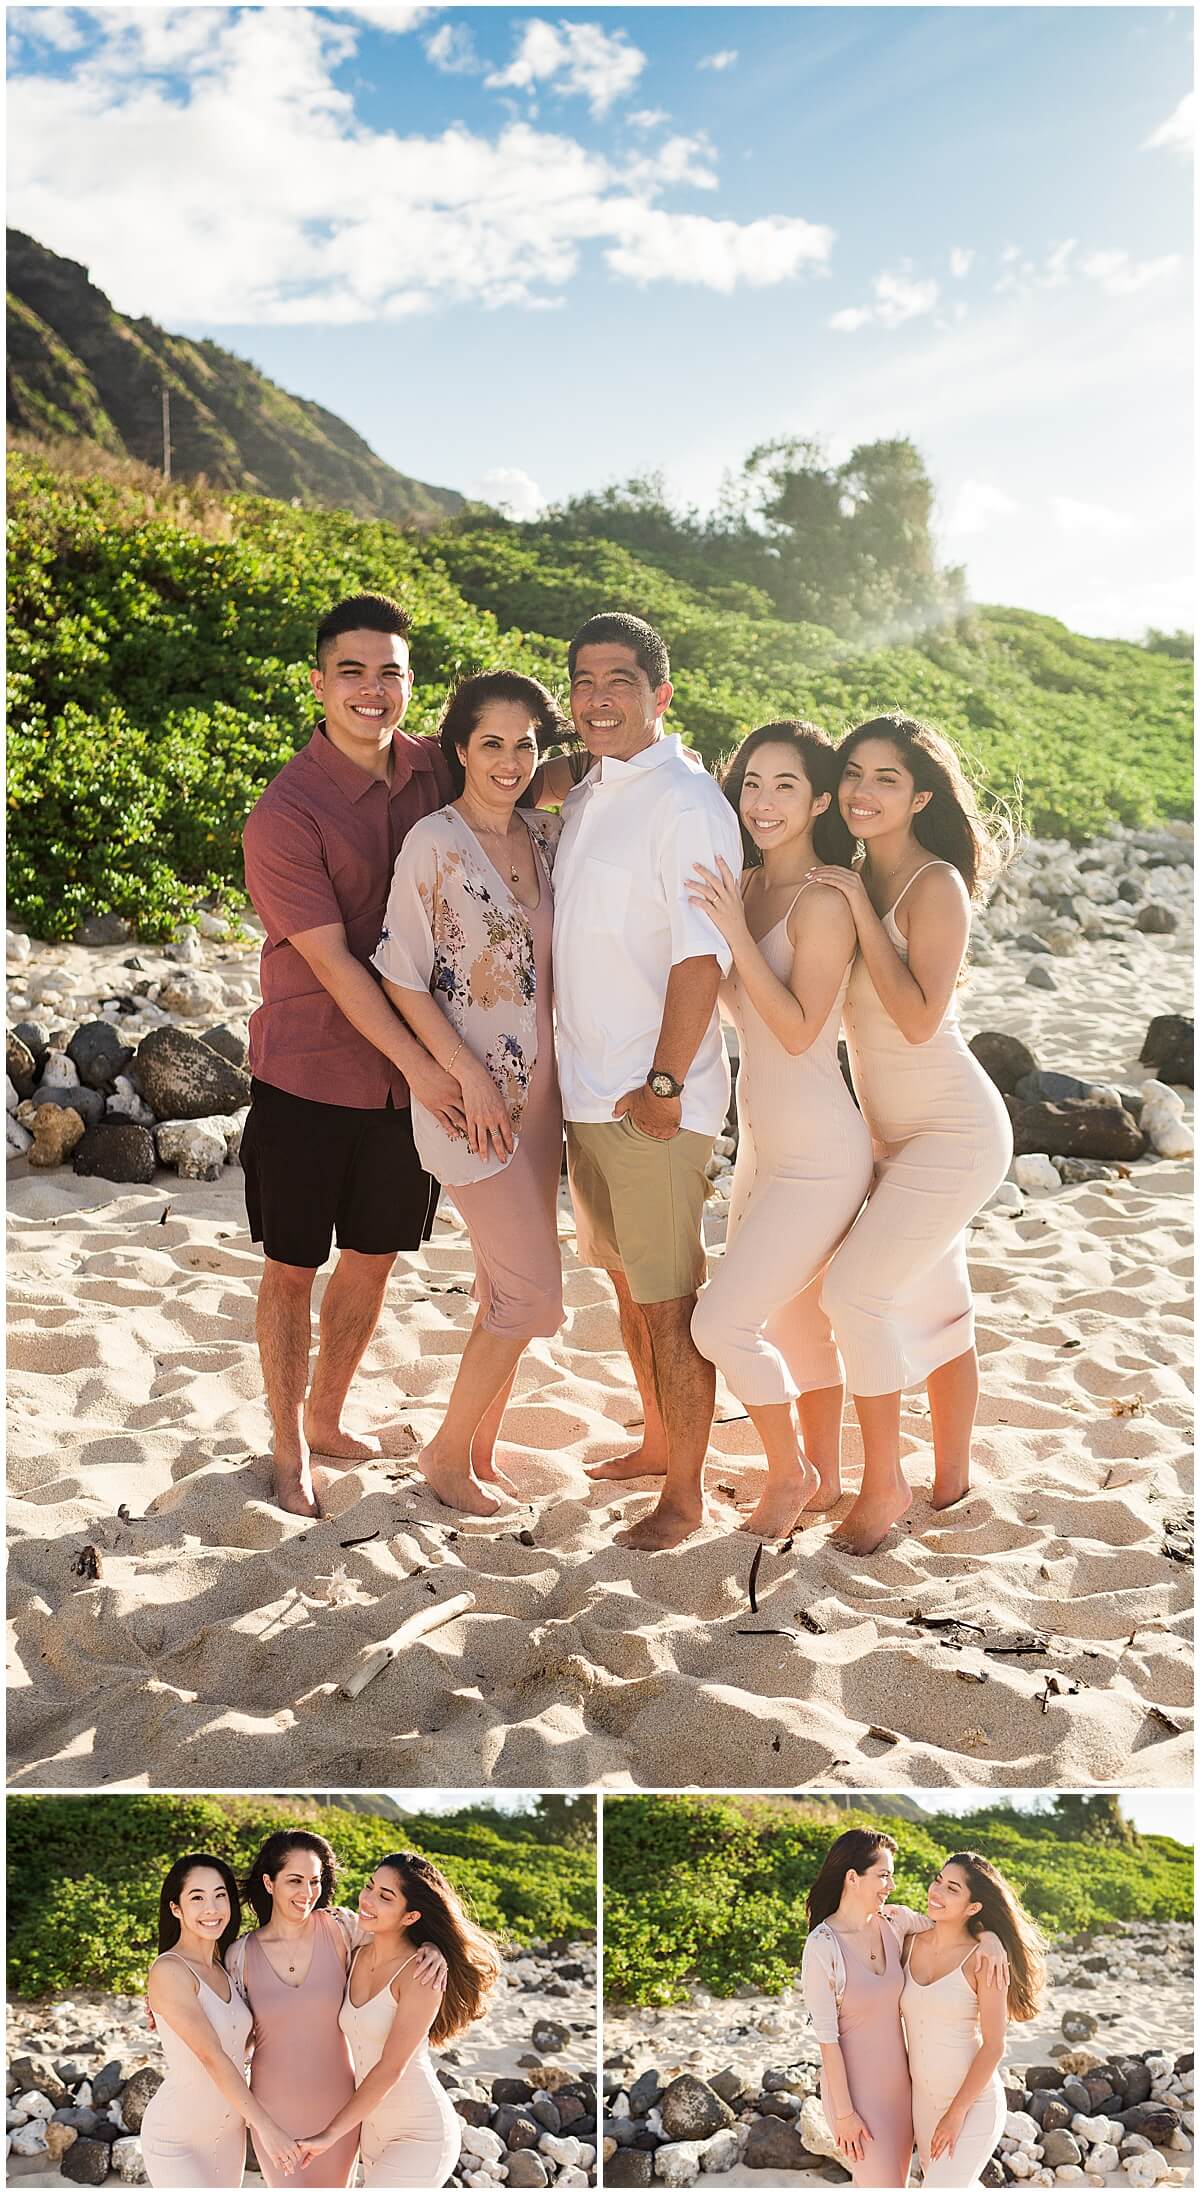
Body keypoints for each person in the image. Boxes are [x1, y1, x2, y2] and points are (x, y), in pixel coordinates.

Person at [240, 595, 464, 1517]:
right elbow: (331, 964)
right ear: (318, 684)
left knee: (374, 1254)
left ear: (411, 683)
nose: (373, 691)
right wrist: (424, 1072)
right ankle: (288, 1444)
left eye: (392, 673)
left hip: (414, 1072)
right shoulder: (284, 813)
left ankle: (329, 1417)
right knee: (294, 1264)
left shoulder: (438, 772)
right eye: (353, 672)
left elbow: (533, 769)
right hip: (311, 1067)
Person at [552, 610, 745, 1551]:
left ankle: (686, 1495)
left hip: (652, 1099)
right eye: (585, 680)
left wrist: (666, 1083)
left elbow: (700, 957)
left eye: (620, 679)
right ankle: (659, 1441)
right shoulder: (588, 795)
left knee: (670, 1300)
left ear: (662, 695)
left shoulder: (687, 801)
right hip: (588, 1093)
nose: (599, 697)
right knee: (628, 1286)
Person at [808, 714, 1015, 1553]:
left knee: (853, 1294)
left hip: (956, 1130)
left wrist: (858, 906)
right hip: (892, 1135)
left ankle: (883, 1482)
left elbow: (922, 1020)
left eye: (886, 779)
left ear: (920, 795)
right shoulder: (853, 873)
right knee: (934, 1306)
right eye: (853, 772)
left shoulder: (935, 887)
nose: (862, 791)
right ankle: (954, 1478)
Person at [372, 672, 568, 1514]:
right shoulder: (434, 844)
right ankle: (446, 1456)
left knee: (500, 1287)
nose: (510, 760)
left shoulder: (550, 837)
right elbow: (402, 978)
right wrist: (468, 1079)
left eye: (525, 744)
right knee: (532, 1295)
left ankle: (480, 1451)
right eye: (492, 742)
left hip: (549, 1102)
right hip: (469, 1104)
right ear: (459, 748)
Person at [686, 721, 872, 1534]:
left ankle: (790, 1472)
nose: (762, 802)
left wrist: (730, 933)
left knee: (721, 1322)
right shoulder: (750, 886)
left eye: (785, 786)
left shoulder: (825, 901)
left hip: (823, 1152)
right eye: (751, 784)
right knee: (793, 1323)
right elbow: (744, 1011)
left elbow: (799, 1030)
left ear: (821, 800)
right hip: (762, 1142)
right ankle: (826, 1477)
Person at [225, 1829, 446, 2188]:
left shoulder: (342, 1928)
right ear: (269, 1882)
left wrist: (434, 1948)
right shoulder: (239, 1955)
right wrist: (158, 2007)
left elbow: (397, 1937)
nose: (307, 1892)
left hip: (340, 2108)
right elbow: (227, 2024)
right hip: (271, 2110)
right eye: (295, 1880)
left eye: (314, 1881)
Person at [800, 1830, 1009, 2190]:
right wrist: (845, 2114)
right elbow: (827, 2040)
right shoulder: (821, 1947)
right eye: (883, 1876)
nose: (891, 1885)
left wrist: (991, 1938)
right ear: (853, 1878)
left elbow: (949, 1924)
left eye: (891, 1876)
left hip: (907, 2095)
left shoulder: (895, 1925)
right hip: (858, 2097)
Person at [294, 1851, 502, 2189]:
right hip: (372, 2135)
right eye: (369, 1886)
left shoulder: (421, 1973)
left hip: (421, 2134)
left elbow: (391, 2068)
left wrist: (329, 2134)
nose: (368, 1899)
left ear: (411, 1916)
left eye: (385, 1897)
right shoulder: (356, 1953)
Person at [142, 1854, 298, 2188]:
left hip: (227, 2137)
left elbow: (242, 2042)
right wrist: (266, 2128)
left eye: (220, 1895)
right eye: (197, 1897)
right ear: (175, 1909)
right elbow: (212, 2055)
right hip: (177, 2138)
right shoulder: (169, 1970)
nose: (212, 1908)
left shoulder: (226, 1968)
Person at [901, 1853, 1045, 2189]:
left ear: (973, 1907)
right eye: (938, 1880)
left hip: (973, 2106)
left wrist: (955, 2115)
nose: (936, 1891)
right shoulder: (907, 1944)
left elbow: (995, 2046)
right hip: (923, 2103)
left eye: (952, 1889)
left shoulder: (986, 1960)